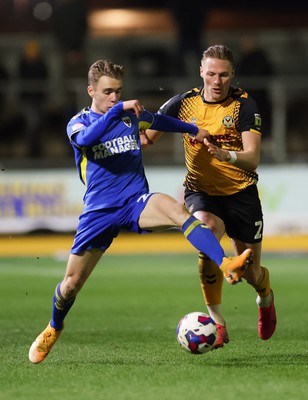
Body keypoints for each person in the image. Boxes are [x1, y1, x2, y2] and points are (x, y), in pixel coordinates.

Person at [28, 59, 253, 364]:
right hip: (99, 211)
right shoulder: (78, 123)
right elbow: (85, 141)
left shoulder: (129, 116)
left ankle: (225, 263)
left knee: (177, 211)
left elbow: (160, 121)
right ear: (91, 90)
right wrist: (118, 112)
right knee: (70, 286)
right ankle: (54, 326)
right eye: (108, 92)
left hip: (136, 201)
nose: (114, 98)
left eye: (118, 92)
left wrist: (194, 128)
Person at [143, 44, 277, 348]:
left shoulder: (245, 106)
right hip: (201, 191)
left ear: (232, 75)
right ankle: (217, 323)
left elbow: (252, 157)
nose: (217, 81)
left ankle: (266, 298)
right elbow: (147, 138)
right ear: (201, 72)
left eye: (224, 75)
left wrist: (225, 155)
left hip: (241, 193)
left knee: (250, 271)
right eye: (212, 74)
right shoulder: (183, 103)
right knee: (204, 234)